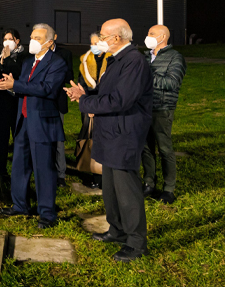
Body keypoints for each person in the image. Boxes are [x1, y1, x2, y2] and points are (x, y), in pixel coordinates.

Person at [64, 18, 153, 262]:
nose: (99, 40)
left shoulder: (133, 61)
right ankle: (117, 230)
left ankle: (136, 244)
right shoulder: (116, 60)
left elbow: (120, 100)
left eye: (103, 36)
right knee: (111, 190)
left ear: (116, 38)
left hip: (124, 135)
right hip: (111, 133)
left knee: (127, 192)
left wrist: (86, 102)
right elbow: (109, 93)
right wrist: (86, 94)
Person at [0, 24, 68, 229]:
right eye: (32, 36)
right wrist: (11, 86)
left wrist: (16, 85)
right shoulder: (28, 62)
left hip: (42, 123)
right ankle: (20, 205)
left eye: (38, 38)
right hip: (24, 121)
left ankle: (47, 214)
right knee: (19, 165)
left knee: (43, 169)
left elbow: (47, 89)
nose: (33, 40)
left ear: (49, 42)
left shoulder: (57, 63)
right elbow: (24, 88)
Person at [141, 24, 187, 204]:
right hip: (142, 108)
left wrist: (146, 77)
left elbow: (172, 83)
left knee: (164, 148)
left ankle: (169, 188)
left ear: (163, 37)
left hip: (162, 108)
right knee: (145, 148)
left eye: (151, 33)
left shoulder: (175, 57)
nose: (148, 36)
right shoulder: (145, 57)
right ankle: (149, 183)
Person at [0, 28, 29, 198]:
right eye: (5, 39)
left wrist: (7, 59)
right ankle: (2, 170)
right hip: (2, 104)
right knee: (1, 138)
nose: (7, 42)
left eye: (10, 39)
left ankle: (19, 170)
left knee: (18, 138)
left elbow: (19, 73)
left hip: (16, 103)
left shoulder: (24, 56)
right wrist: (2, 60)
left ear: (17, 41)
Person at [75, 32, 110, 189]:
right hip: (89, 105)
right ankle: (96, 176)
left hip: (106, 106)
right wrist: (89, 106)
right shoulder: (84, 60)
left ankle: (107, 176)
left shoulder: (112, 59)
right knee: (92, 140)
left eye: (97, 42)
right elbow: (81, 84)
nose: (94, 46)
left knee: (106, 142)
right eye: (92, 43)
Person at [50, 30, 74, 188]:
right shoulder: (35, 55)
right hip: (41, 102)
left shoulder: (64, 54)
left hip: (58, 101)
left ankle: (60, 175)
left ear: (54, 37)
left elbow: (69, 75)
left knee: (58, 139)